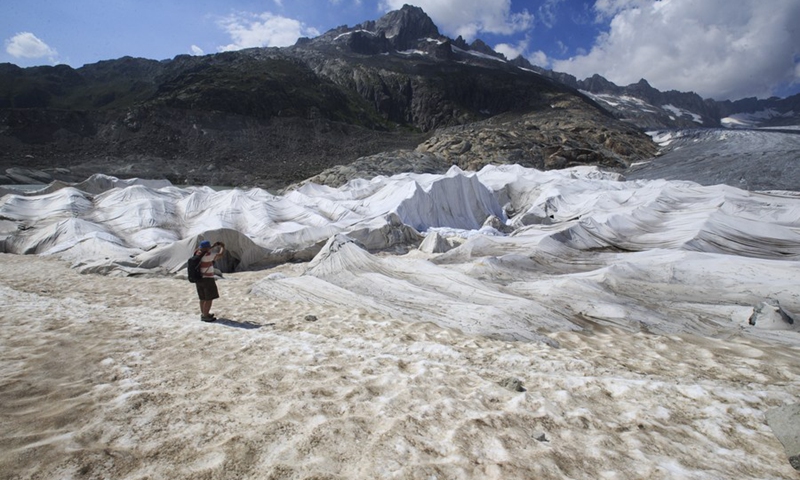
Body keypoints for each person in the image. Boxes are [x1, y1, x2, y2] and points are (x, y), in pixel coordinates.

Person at [194, 239, 225, 322]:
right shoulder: (208, 256)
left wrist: (213, 246)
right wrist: (222, 247)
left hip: (199, 278)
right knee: (209, 298)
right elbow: (220, 255)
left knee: (202, 298)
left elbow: (204, 249)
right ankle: (206, 315)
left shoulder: (197, 253)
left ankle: (204, 313)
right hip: (207, 279)